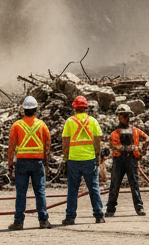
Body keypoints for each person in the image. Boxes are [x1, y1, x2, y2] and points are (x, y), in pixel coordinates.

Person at [7, 95, 51, 230]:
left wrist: (10, 163)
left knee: (21, 192)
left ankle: (18, 222)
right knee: (40, 191)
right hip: (37, 162)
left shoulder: (17, 125)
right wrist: (46, 160)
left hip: (22, 163)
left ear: (23, 110)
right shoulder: (42, 125)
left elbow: (11, 146)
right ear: (36, 109)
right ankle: (43, 221)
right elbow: (47, 144)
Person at [60, 95, 105, 226]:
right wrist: (98, 156)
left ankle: (70, 217)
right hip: (89, 159)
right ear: (86, 108)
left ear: (74, 108)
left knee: (73, 189)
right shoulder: (93, 121)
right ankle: (99, 215)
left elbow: (65, 141)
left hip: (74, 159)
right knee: (93, 188)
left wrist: (65, 157)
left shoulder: (69, 121)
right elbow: (97, 141)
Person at [106, 103, 149, 217]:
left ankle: (139, 207)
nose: (125, 117)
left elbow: (147, 139)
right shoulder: (115, 133)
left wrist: (142, 151)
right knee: (115, 184)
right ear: (119, 117)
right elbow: (115, 146)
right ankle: (110, 208)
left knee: (134, 184)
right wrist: (132, 148)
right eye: (122, 115)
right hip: (119, 160)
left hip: (131, 160)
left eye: (126, 115)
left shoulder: (135, 131)